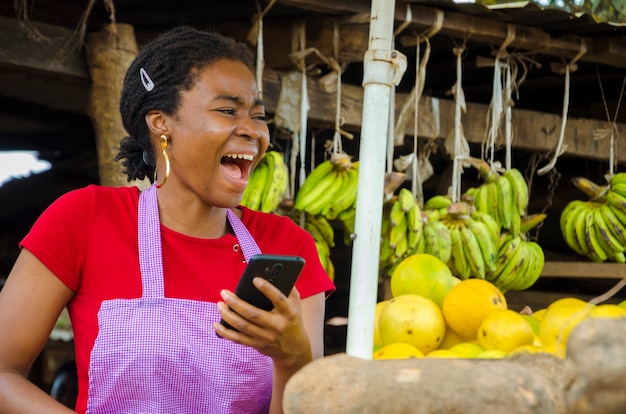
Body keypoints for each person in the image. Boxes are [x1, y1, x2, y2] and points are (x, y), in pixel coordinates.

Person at [0, 26, 335, 413]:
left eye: (258, 116)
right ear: (161, 123)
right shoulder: (85, 218)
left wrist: (292, 356)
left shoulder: (286, 244)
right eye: (228, 110)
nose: (254, 131)